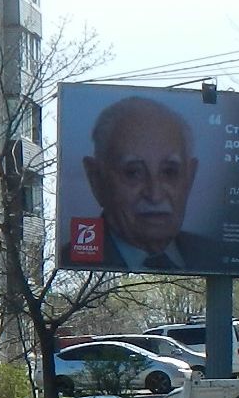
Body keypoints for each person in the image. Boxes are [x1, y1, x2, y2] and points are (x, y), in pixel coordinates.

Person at [79, 96, 221, 270]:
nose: (155, 195)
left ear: (189, 177)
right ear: (96, 179)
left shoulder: (215, 256)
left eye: (169, 172)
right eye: (133, 172)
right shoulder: (79, 260)